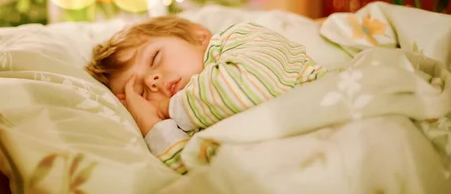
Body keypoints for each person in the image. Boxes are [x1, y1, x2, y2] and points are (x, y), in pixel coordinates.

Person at [85, 15, 326, 174]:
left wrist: (164, 108)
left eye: (154, 58)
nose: (152, 80)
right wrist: (152, 126)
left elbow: (246, 91)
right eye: (141, 92)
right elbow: (195, 173)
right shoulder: (188, 124)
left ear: (198, 36)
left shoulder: (240, 38)